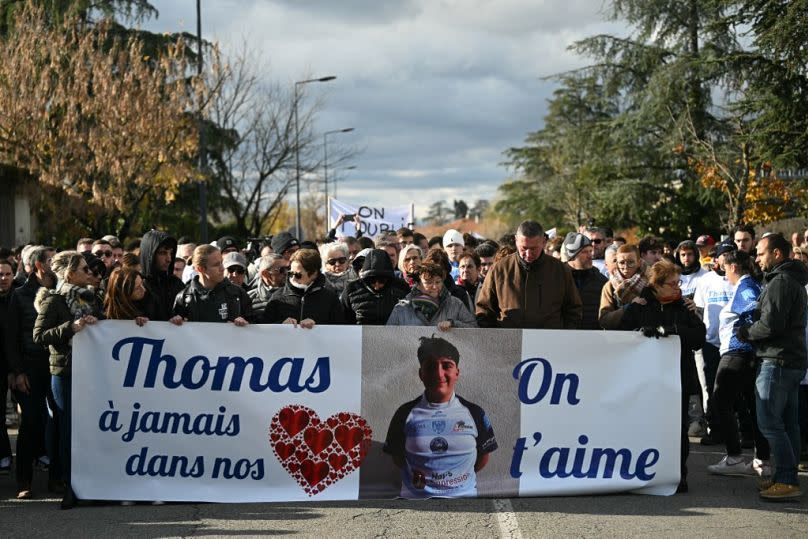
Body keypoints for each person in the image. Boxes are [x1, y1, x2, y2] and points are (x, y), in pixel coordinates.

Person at [617, 260, 706, 493]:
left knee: (677, 429)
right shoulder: (640, 305)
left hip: (678, 378)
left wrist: (674, 331)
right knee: (646, 426)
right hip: (646, 380)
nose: (678, 288)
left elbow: (699, 337)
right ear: (656, 285)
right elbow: (619, 335)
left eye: (679, 282)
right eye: (672, 283)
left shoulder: (684, 306)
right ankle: (644, 470)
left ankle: (678, 473)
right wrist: (636, 328)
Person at [737, 233, 808, 500]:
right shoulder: (790, 280)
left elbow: (771, 325)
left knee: (769, 423)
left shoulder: (781, 282)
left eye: (761, 253)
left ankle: (788, 480)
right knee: (787, 424)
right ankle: (784, 477)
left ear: (777, 254)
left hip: (777, 360)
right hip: (788, 360)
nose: (756, 258)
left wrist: (746, 331)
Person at [383, 336, 497, 498]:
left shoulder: (475, 413)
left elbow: (483, 457)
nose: (439, 373)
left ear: (457, 372)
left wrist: (455, 482)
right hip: (416, 503)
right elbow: (397, 457)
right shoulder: (404, 413)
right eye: (430, 366)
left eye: (446, 366)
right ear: (421, 373)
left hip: (463, 501)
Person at [33, 251, 102, 509]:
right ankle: (69, 485)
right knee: (69, 430)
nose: (89, 273)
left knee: (87, 428)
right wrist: (70, 328)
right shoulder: (54, 301)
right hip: (65, 373)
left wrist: (96, 323)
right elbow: (39, 336)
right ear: (69, 273)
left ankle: (89, 483)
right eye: (84, 269)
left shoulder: (90, 299)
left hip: (90, 372)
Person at [707, 249, 770, 477]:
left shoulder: (746, 286)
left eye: (725, 268)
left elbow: (752, 309)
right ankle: (762, 459)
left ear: (733, 267)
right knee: (751, 406)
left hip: (737, 353)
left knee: (721, 402)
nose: (724, 273)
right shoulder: (748, 284)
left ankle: (735, 457)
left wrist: (745, 332)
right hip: (745, 353)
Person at [5, 247, 60, 499]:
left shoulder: (62, 290)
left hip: (59, 365)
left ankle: (58, 479)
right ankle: (24, 481)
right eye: (51, 260)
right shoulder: (19, 295)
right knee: (31, 422)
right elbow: (11, 337)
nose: (56, 263)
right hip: (30, 366)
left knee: (59, 421)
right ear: (39, 265)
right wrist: (17, 371)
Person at [476, 220, 582, 329]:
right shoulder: (499, 269)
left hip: (550, 341)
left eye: (533, 249)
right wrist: (496, 338)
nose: (528, 254)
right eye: (524, 248)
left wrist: (564, 336)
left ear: (544, 242)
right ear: (516, 241)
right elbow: (484, 309)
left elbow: (573, 309)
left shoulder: (559, 270)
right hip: (510, 341)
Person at [694, 240, 736, 445]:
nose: (727, 258)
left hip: (735, 343)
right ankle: (715, 429)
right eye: (723, 254)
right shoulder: (706, 280)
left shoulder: (739, 279)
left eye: (730, 253)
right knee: (711, 388)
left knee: (735, 389)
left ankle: (740, 432)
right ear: (716, 258)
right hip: (711, 342)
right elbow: (700, 309)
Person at [172, 245, 252, 325]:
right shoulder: (184, 297)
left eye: (221, 262)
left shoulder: (238, 293)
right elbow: (172, 332)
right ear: (200, 269)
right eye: (216, 265)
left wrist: (245, 323)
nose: (222, 268)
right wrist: (175, 321)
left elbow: (255, 327)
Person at [262, 249, 344, 327]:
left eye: (298, 275)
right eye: (290, 273)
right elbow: (265, 328)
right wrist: (281, 324)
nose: (293, 278)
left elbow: (339, 329)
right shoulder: (277, 297)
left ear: (314, 274)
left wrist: (317, 326)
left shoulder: (330, 298)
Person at [387, 261, 477, 330]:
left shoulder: (455, 304)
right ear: (418, 284)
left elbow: (474, 328)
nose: (434, 287)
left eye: (438, 282)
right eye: (428, 282)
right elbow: (389, 336)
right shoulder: (402, 308)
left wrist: (453, 324)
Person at [341, 249, 410, 325]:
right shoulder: (351, 290)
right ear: (366, 279)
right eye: (372, 281)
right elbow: (343, 320)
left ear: (388, 279)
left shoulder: (401, 288)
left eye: (382, 281)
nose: (377, 286)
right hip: (359, 335)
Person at [563, 232, 607, 330]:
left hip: (594, 339)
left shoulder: (601, 281)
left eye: (590, 251)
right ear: (572, 255)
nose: (590, 255)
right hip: (563, 338)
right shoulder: (556, 278)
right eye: (584, 252)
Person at [599, 244, 648, 329]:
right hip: (619, 338)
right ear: (617, 263)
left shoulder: (650, 282)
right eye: (622, 263)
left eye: (631, 262)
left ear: (639, 263)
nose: (626, 267)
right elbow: (604, 320)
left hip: (646, 337)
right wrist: (627, 308)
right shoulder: (609, 286)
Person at [139, 229, 185, 321]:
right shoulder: (136, 284)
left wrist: (182, 317)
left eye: (171, 253)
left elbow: (188, 313)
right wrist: (136, 317)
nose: (169, 259)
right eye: (163, 253)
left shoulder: (176, 284)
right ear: (150, 254)